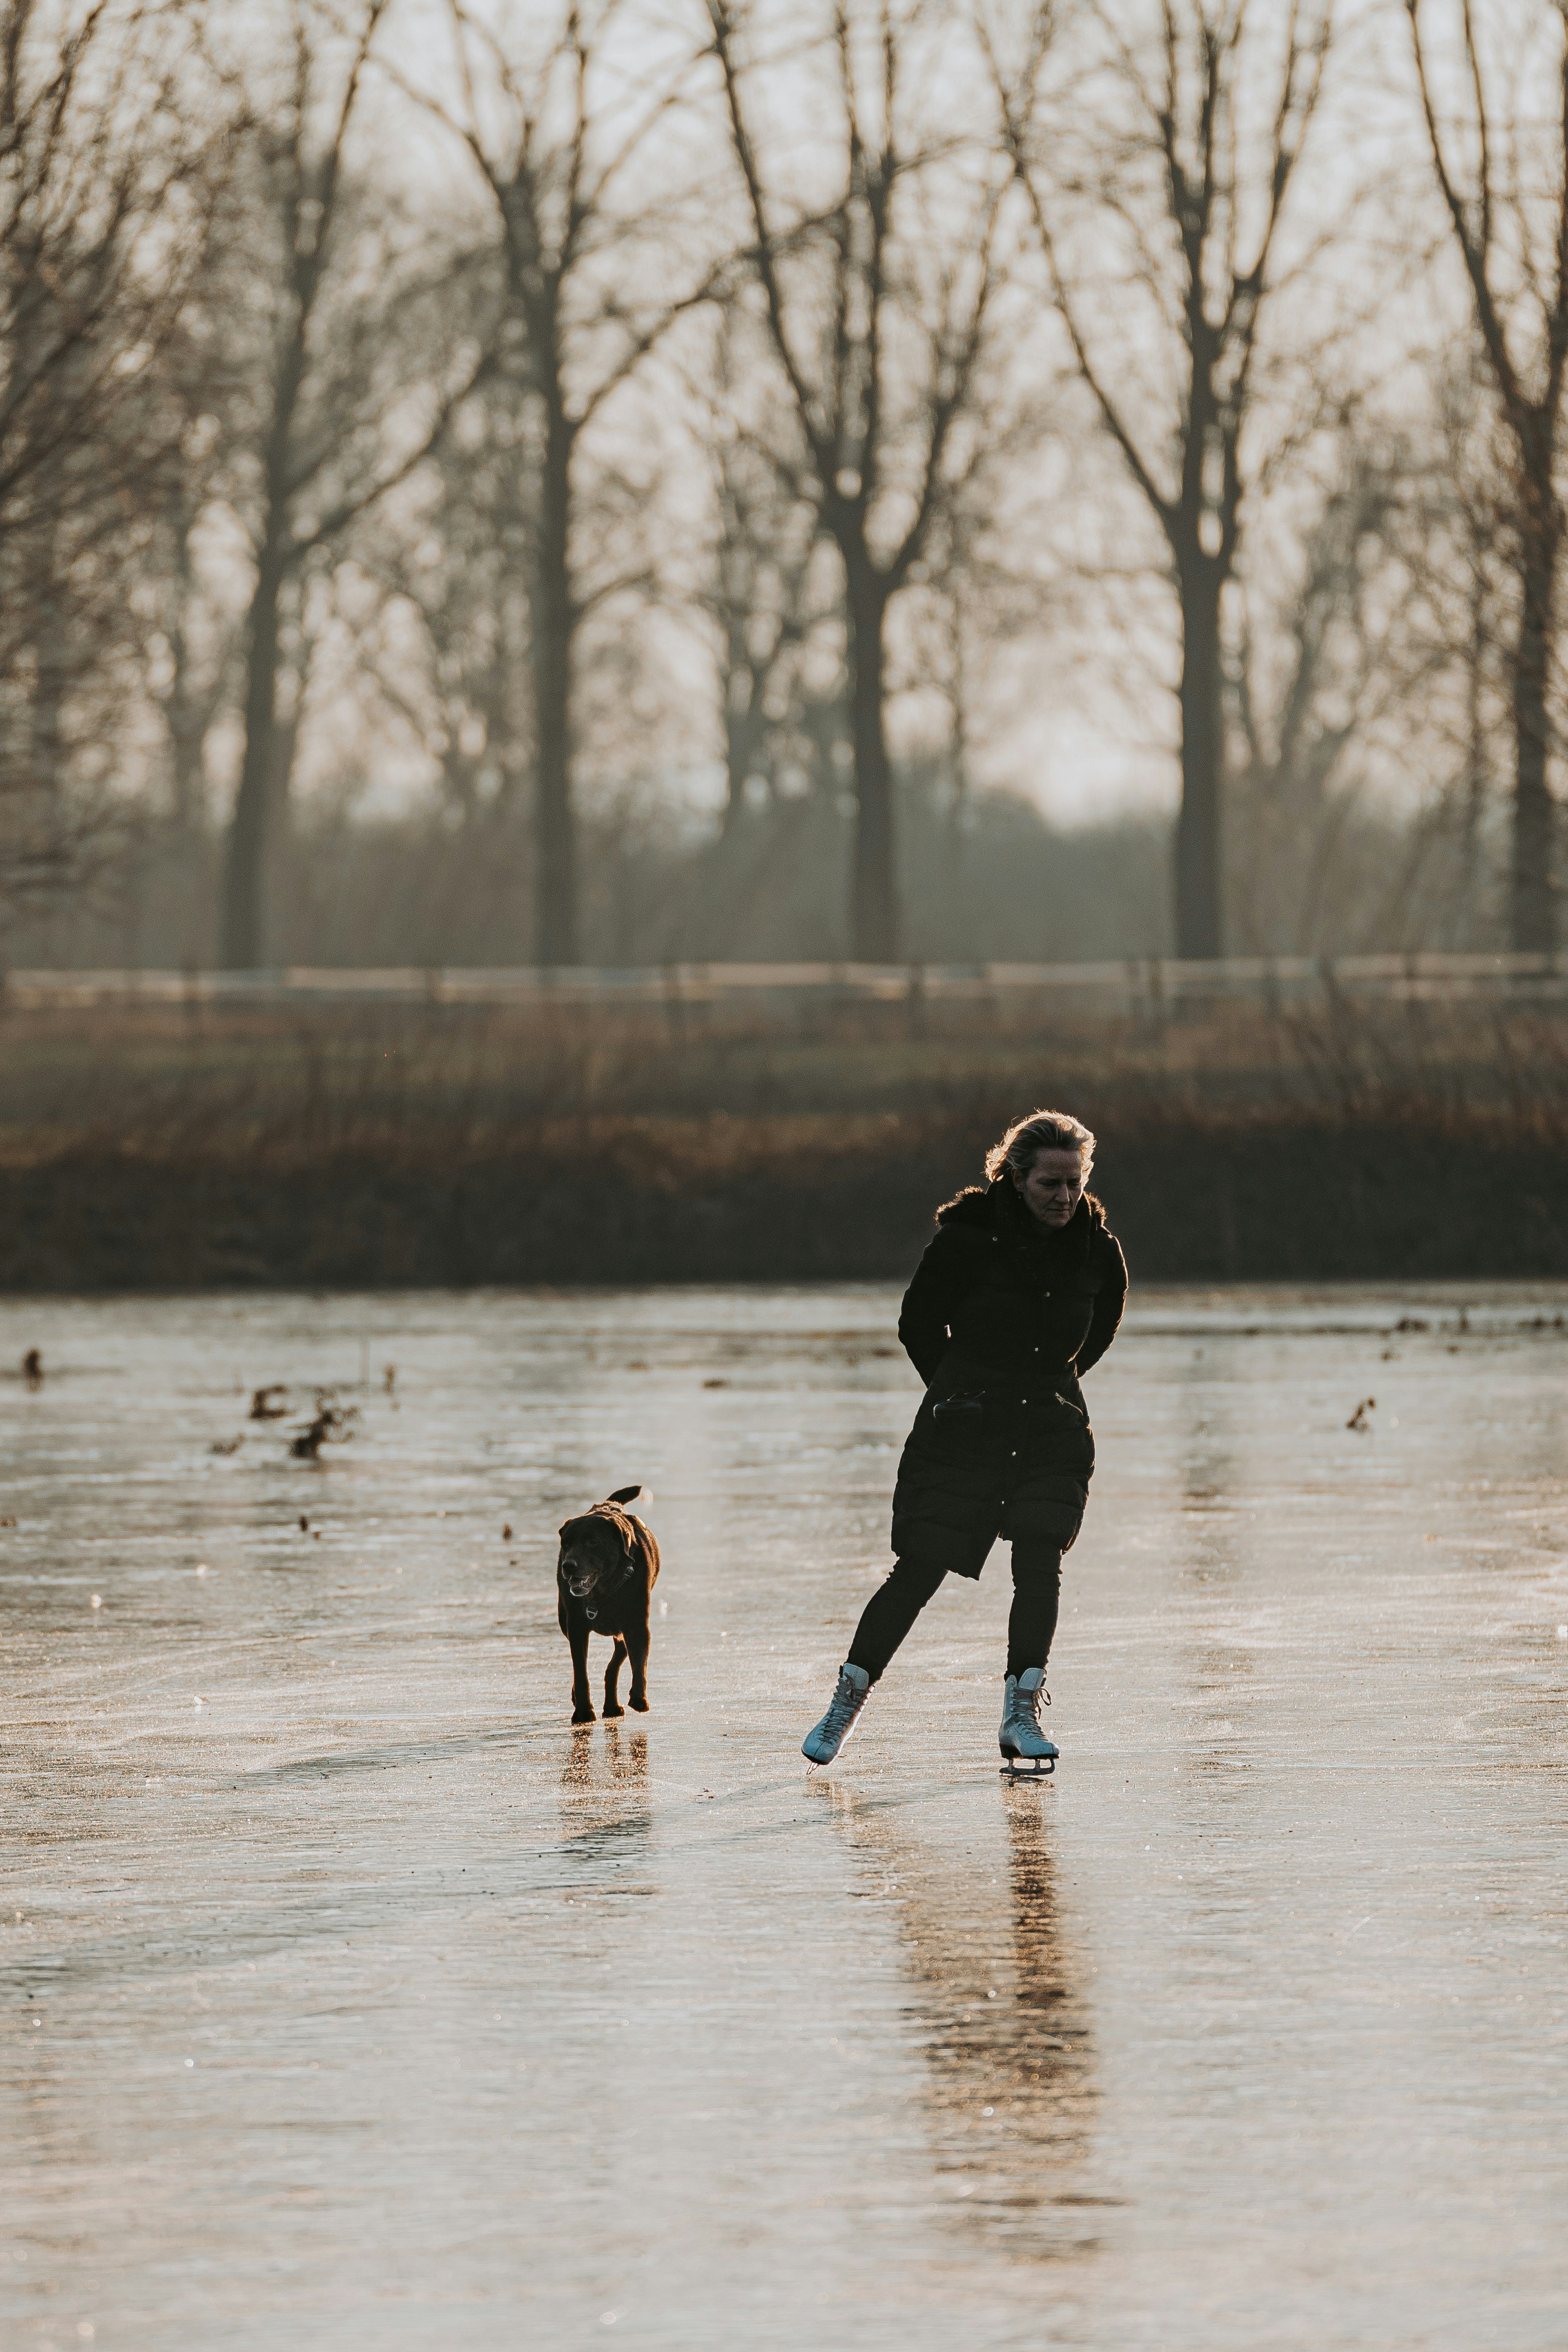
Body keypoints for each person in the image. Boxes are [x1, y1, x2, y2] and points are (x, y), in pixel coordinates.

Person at [802, 1109, 1127, 1772]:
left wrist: (1054, 1383)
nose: (1063, 1197)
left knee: (1039, 1562)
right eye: (1047, 1184)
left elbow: (1099, 1327)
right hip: (963, 1428)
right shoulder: (967, 1237)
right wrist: (954, 1393)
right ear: (1015, 1176)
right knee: (920, 1565)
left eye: (1072, 1182)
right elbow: (917, 1321)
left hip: (1050, 1429)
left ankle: (1020, 1713)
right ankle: (847, 1699)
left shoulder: (1097, 1249)